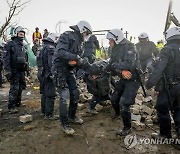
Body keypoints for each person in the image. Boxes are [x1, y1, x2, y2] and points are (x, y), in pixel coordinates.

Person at [52, 20, 92, 135]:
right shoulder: (67, 35)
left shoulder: (80, 42)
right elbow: (60, 52)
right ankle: (65, 124)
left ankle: (72, 116)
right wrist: (76, 58)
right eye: (87, 33)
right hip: (59, 69)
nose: (87, 35)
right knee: (64, 96)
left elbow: (77, 60)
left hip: (69, 71)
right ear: (82, 29)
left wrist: (87, 65)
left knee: (75, 93)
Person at [146, 27, 180, 139]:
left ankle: (165, 135)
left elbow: (159, 69)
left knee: (162, 108)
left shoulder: (167, 49)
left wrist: (150, 83)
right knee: (178, 109)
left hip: (170, 86)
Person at [106, 29, 140, 136]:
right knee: (114, 98)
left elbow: (128, 64)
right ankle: (117, 113)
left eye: (110, 40)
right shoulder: (115, 49)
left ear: (117, 39)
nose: (109, 43)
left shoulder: (130, 46)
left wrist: (116, 67)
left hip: (133, 79)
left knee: (124, 103)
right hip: (123, 78)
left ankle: (127, 127)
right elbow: (111, 64)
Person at [3, 26, 29, 113]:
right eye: (20, 33)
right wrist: (8, 70)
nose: (21, 35)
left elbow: (25, 57)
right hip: (13, 70)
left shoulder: (23, 45)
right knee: (14, 88)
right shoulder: (10, 44)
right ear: (16, 33)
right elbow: (6, 59)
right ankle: (11, 106)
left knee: (21, 87)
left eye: (23, 33)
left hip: (21, 70)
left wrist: (27, 67)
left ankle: (18, 102)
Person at [38, 33, 59, 119]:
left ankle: (44, 111)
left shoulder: (42, 47)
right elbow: (51, 63)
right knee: (50, 94)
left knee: (44, 93)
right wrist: (54, 73)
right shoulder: (51, 48)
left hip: (41, 73)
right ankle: (49, 114)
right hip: (48, 74)